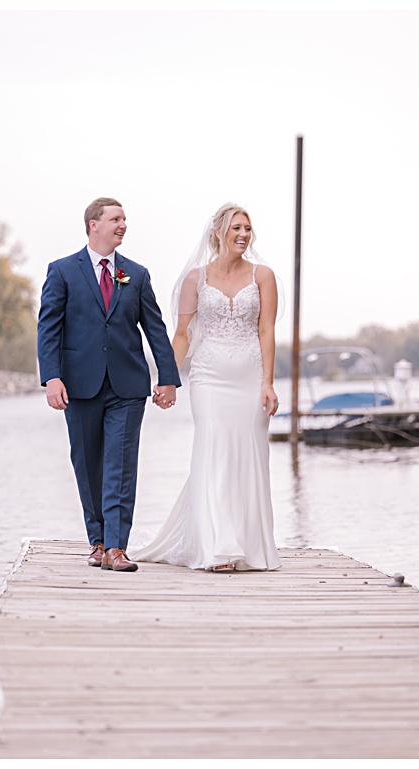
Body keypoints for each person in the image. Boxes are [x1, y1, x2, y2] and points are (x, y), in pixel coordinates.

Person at [36, 198, 182, 573]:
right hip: (78, 386)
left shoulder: (137, 274)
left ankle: (117, 547)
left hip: (127, 386)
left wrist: (167, 378)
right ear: (93, 224)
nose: (123, 225)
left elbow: (155, 329)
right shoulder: (63, 271)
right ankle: (98, 541)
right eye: (116, 219)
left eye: (125, 219)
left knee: (120, 465)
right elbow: (48, 328)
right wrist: (51, 377)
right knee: (88, 465)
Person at [136, 203, 282, 572]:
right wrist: (168, 378)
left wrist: (268, 382)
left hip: (249, 378)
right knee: (214, 451)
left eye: (247, 228)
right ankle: (219, 547)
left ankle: (248, 546)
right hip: (208, 378)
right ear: (218, 232)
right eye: (236, 228)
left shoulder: (263, 275)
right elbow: (182, 334)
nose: (243, 235)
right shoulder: (195, 280)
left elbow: (267, 330)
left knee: (248, 456)